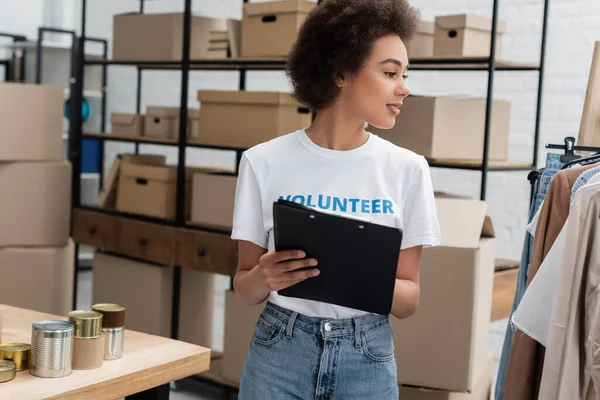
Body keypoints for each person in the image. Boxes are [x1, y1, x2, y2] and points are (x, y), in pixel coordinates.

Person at [230, 0, 442, 398]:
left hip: (366, 357)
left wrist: (358, 275)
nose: (404, 88)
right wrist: (264, 276)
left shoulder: (407, 169)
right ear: (341, 72)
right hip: (280, 350)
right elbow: (244, 288)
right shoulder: (262, 162)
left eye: (404, 75)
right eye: (390, 72)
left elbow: (409, 298)